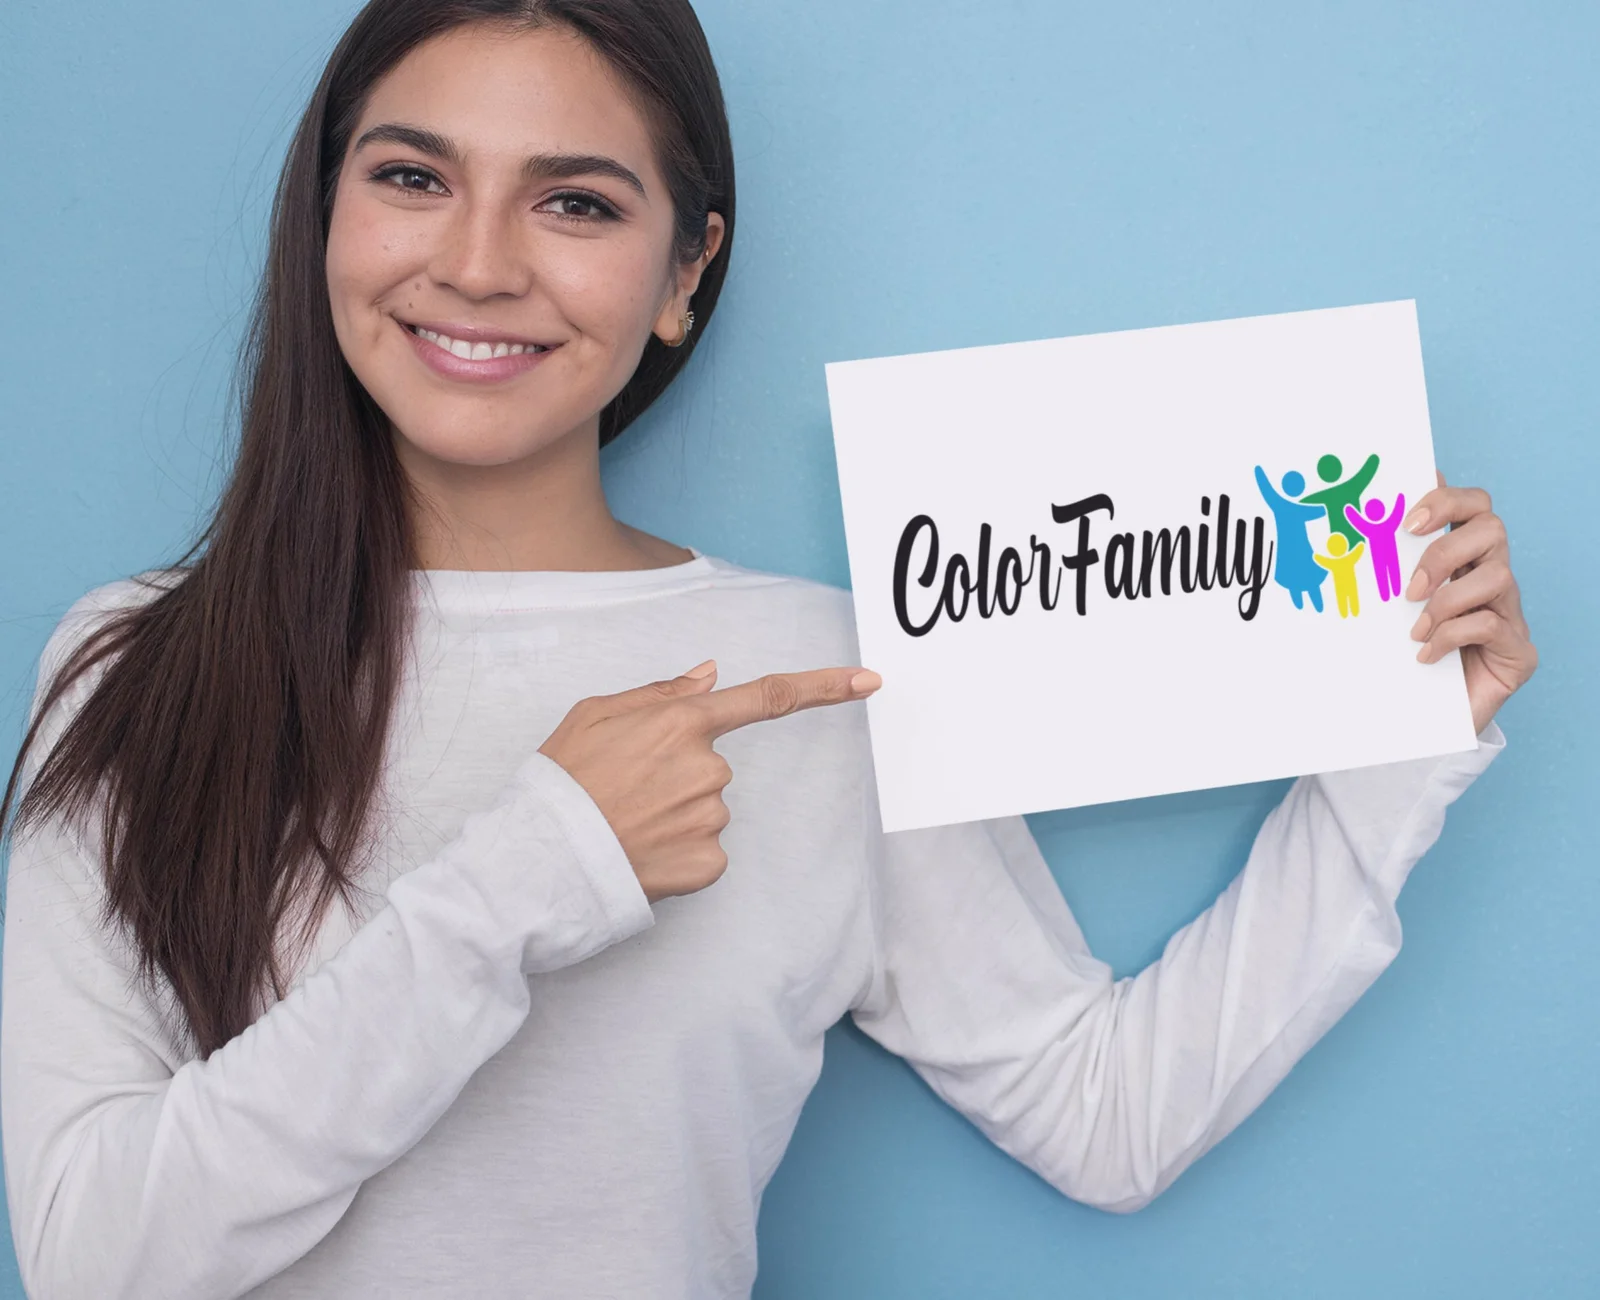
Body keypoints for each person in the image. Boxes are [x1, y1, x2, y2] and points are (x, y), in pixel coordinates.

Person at [0, 2, 1538, 1298]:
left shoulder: (812, 678)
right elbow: (89, 1255)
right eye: (412, 176)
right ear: (327, 207)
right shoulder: (136, 665)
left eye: (577, 203)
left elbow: (1105, 1113)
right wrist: (533, 875)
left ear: (684, 274)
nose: (475, 263)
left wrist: (1395, 750)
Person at [1252, 465, 1330, 611]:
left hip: (1286, 549)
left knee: (1292, 578)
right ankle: (1317, 606)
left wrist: (1259, 472)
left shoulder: (1279, 505)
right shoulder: (1300, 509)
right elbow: (1322, 510)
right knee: (1311, 579)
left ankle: (1300, 605)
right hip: (1303, 548)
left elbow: (1267, 490)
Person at [1302, 451, 1381, 546]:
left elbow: (1305, 502)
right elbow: (1369, 468)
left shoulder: (1325, 495)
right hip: (1354, 539)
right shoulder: (1353, 485)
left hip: (1338, 543)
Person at [1347, 492, 1409, 602]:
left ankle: (1386, 595)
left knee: (1382, 575)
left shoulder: (1369, 529)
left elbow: (1357, 521)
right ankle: (1395, 591)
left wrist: (1349, 510)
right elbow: (1397, 513)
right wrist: (1400, 499)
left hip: (1378, 556)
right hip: (1390, 553)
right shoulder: (1390, 525)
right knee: (1393, 571)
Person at [1314, 533, 1367, 619]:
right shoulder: (1350, 558)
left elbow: (1322, 560)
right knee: (1352, 595)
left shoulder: (1333, 563)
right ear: (1345, 545)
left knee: (1342, 598)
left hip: (1340, 586)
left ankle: (1345, 613)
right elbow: (1358, 550)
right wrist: (1361, 544)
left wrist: (1316, 556)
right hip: (1350, 583)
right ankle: (1354, 611)